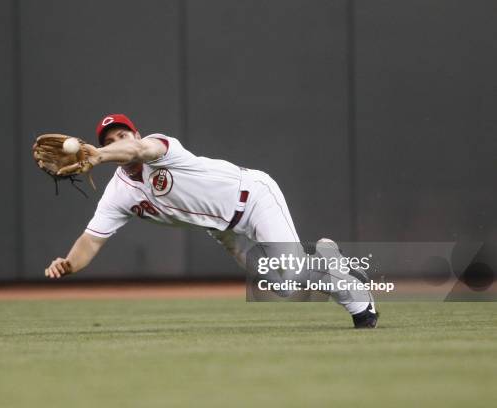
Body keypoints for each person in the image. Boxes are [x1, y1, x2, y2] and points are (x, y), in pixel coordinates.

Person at [44, 113, 378, 328]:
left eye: (122, 135)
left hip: (254, 197)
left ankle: (358, 301)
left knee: (291, 271)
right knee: (284, 286)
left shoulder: (160, 147)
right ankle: (326, 260)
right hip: (225, 231)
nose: (118, 142)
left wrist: (99, 154)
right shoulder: (118, 193)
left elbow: (138, 152)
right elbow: (91, 240)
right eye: (109, 140)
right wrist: (68, 264)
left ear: (135, 134)